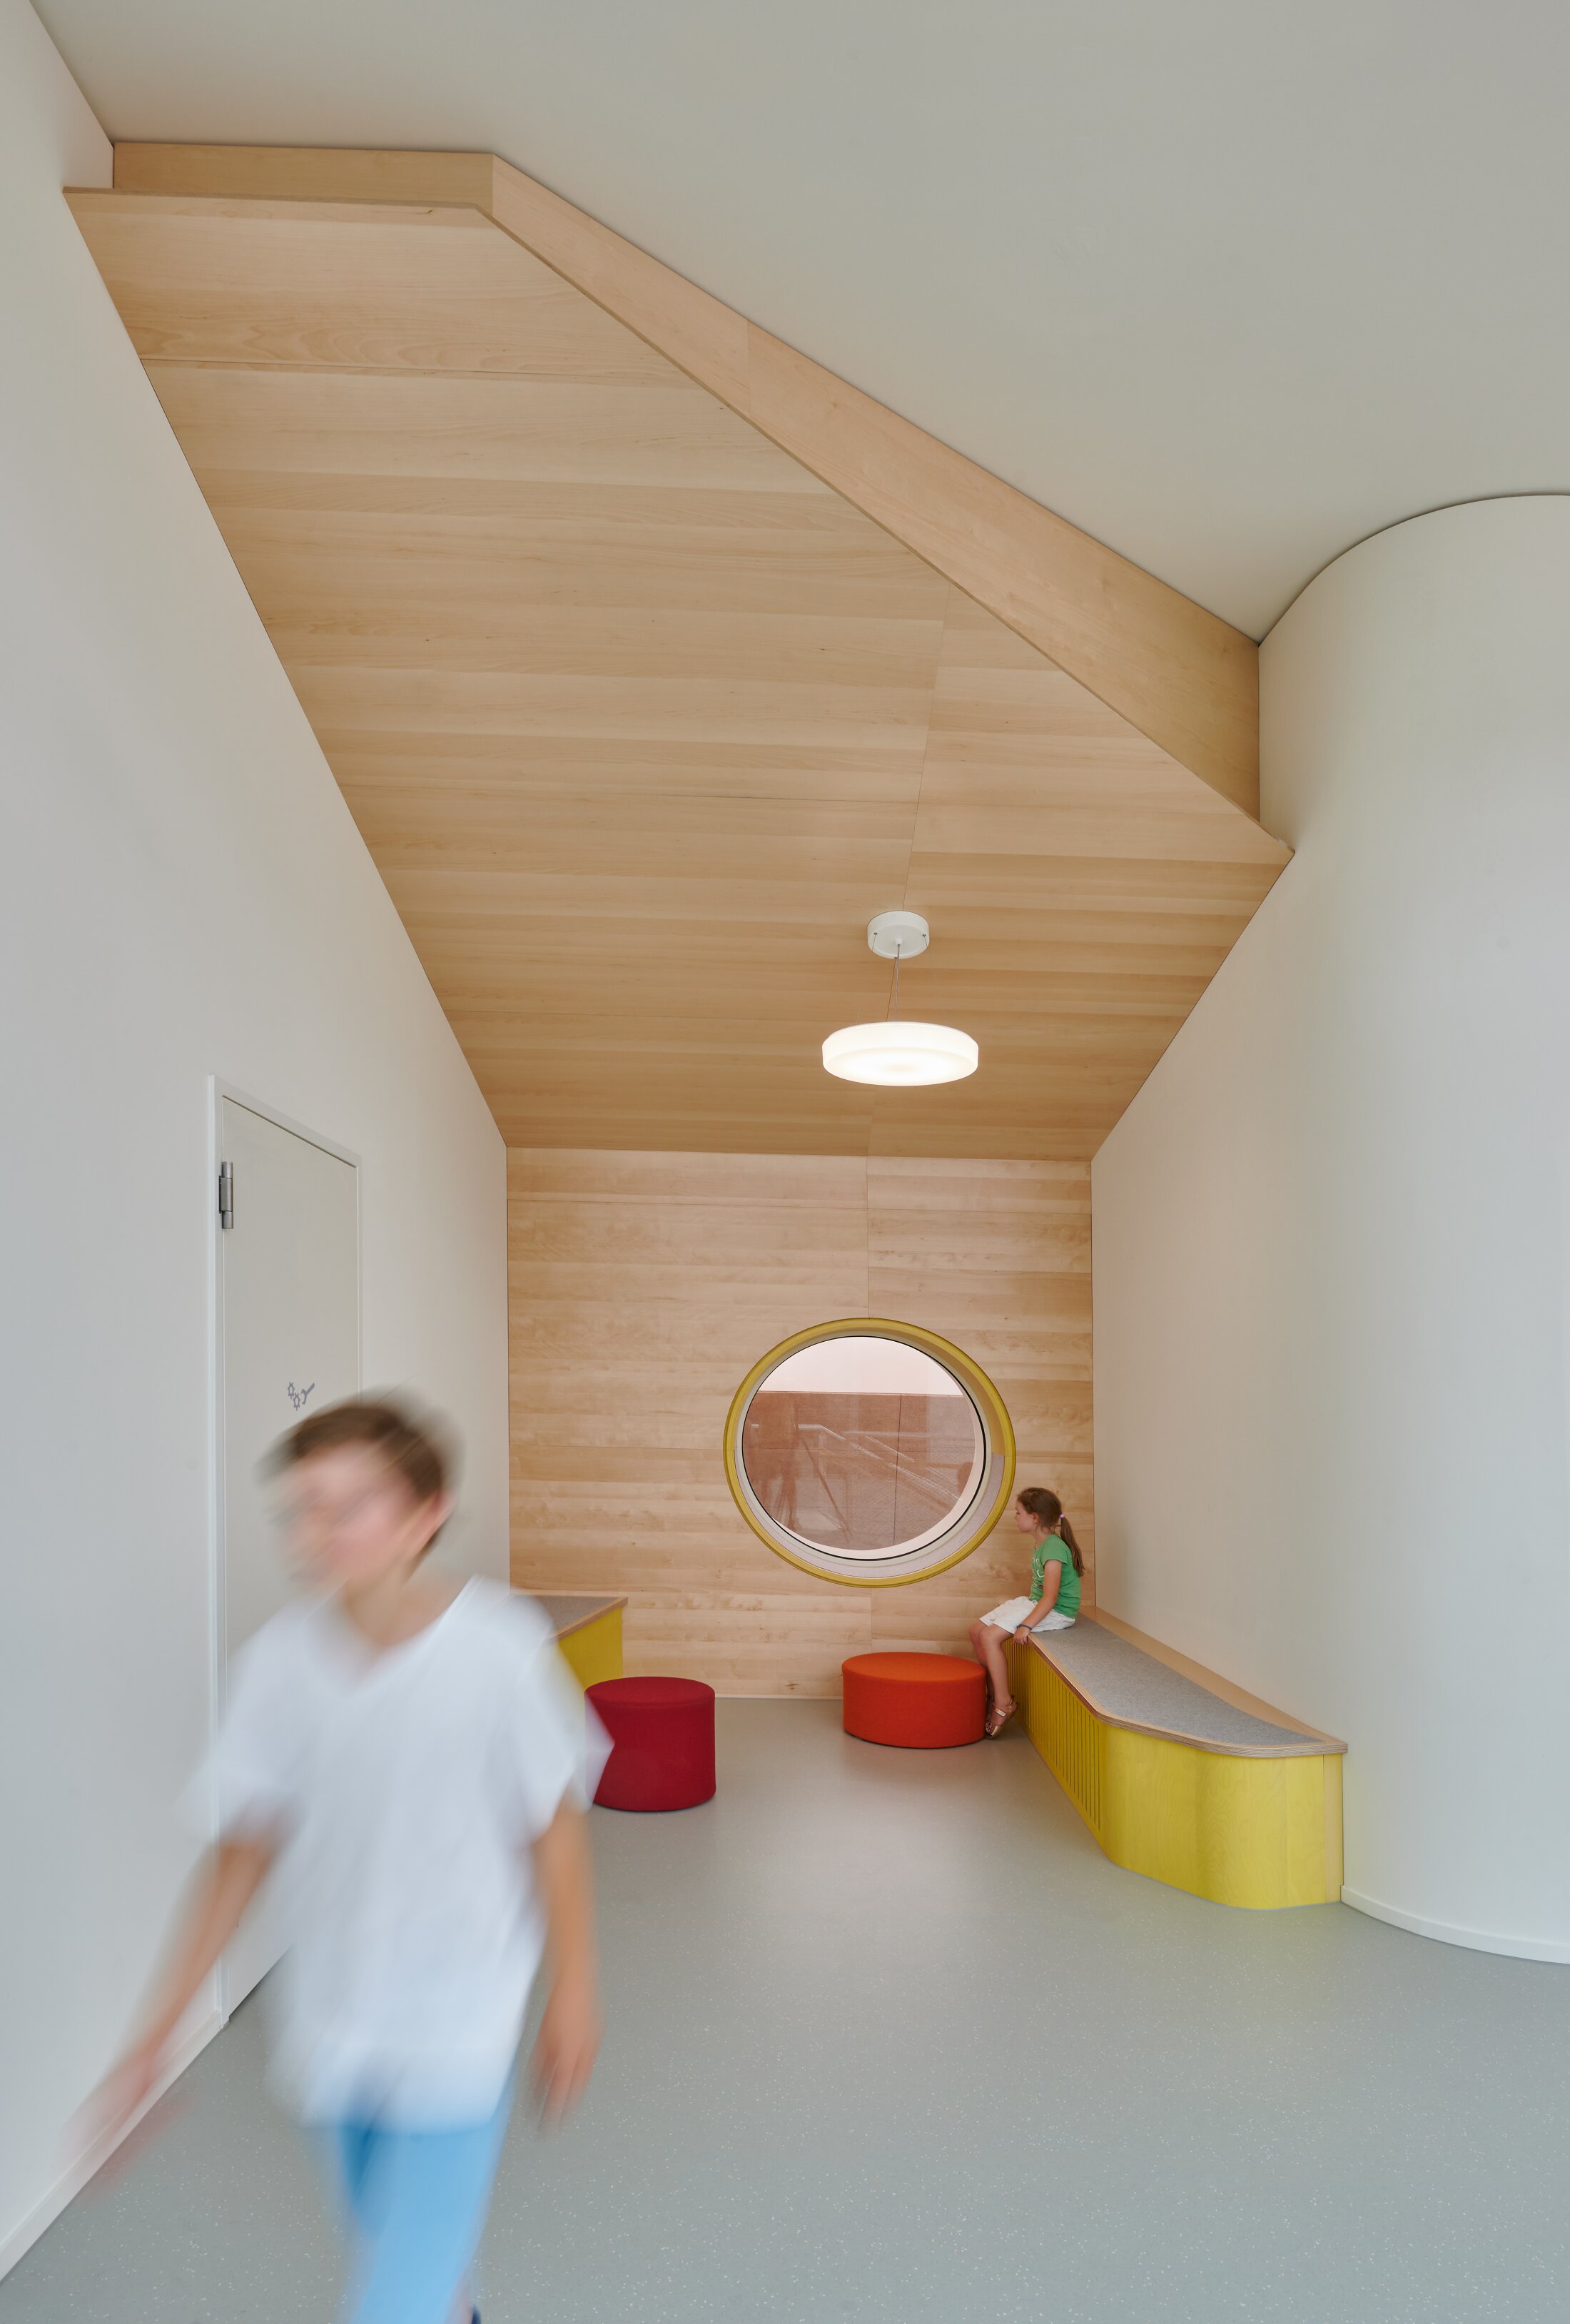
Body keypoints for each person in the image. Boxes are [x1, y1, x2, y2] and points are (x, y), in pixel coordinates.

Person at [88, 1396, 602, 2324]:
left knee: (391, 2301)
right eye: (301, 1509)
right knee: (393, 2248)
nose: (315, 1532)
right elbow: (238, 1860)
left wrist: (575, 1987)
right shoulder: (277, 1666)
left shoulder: (499, 1647)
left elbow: (551, 1825)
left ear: (425, 1514)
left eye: (348, 1505)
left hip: (461, 2017)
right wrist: (151, 2038)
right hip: (333, 2021)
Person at [968, 1486, 1085, 1735]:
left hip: (1058, 1611)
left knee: (990, 1637)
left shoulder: (1053, 1547)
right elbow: (1042, 1591)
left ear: (1034, 1517)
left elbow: (1051, 1597)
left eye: (1018, 1512)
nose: (1015, 1517)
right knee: (977, 1630)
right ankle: (993, 1692)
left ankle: (1003, 1704)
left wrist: (1026, 1625)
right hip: (1035, 1601)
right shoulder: (1042, 1544)